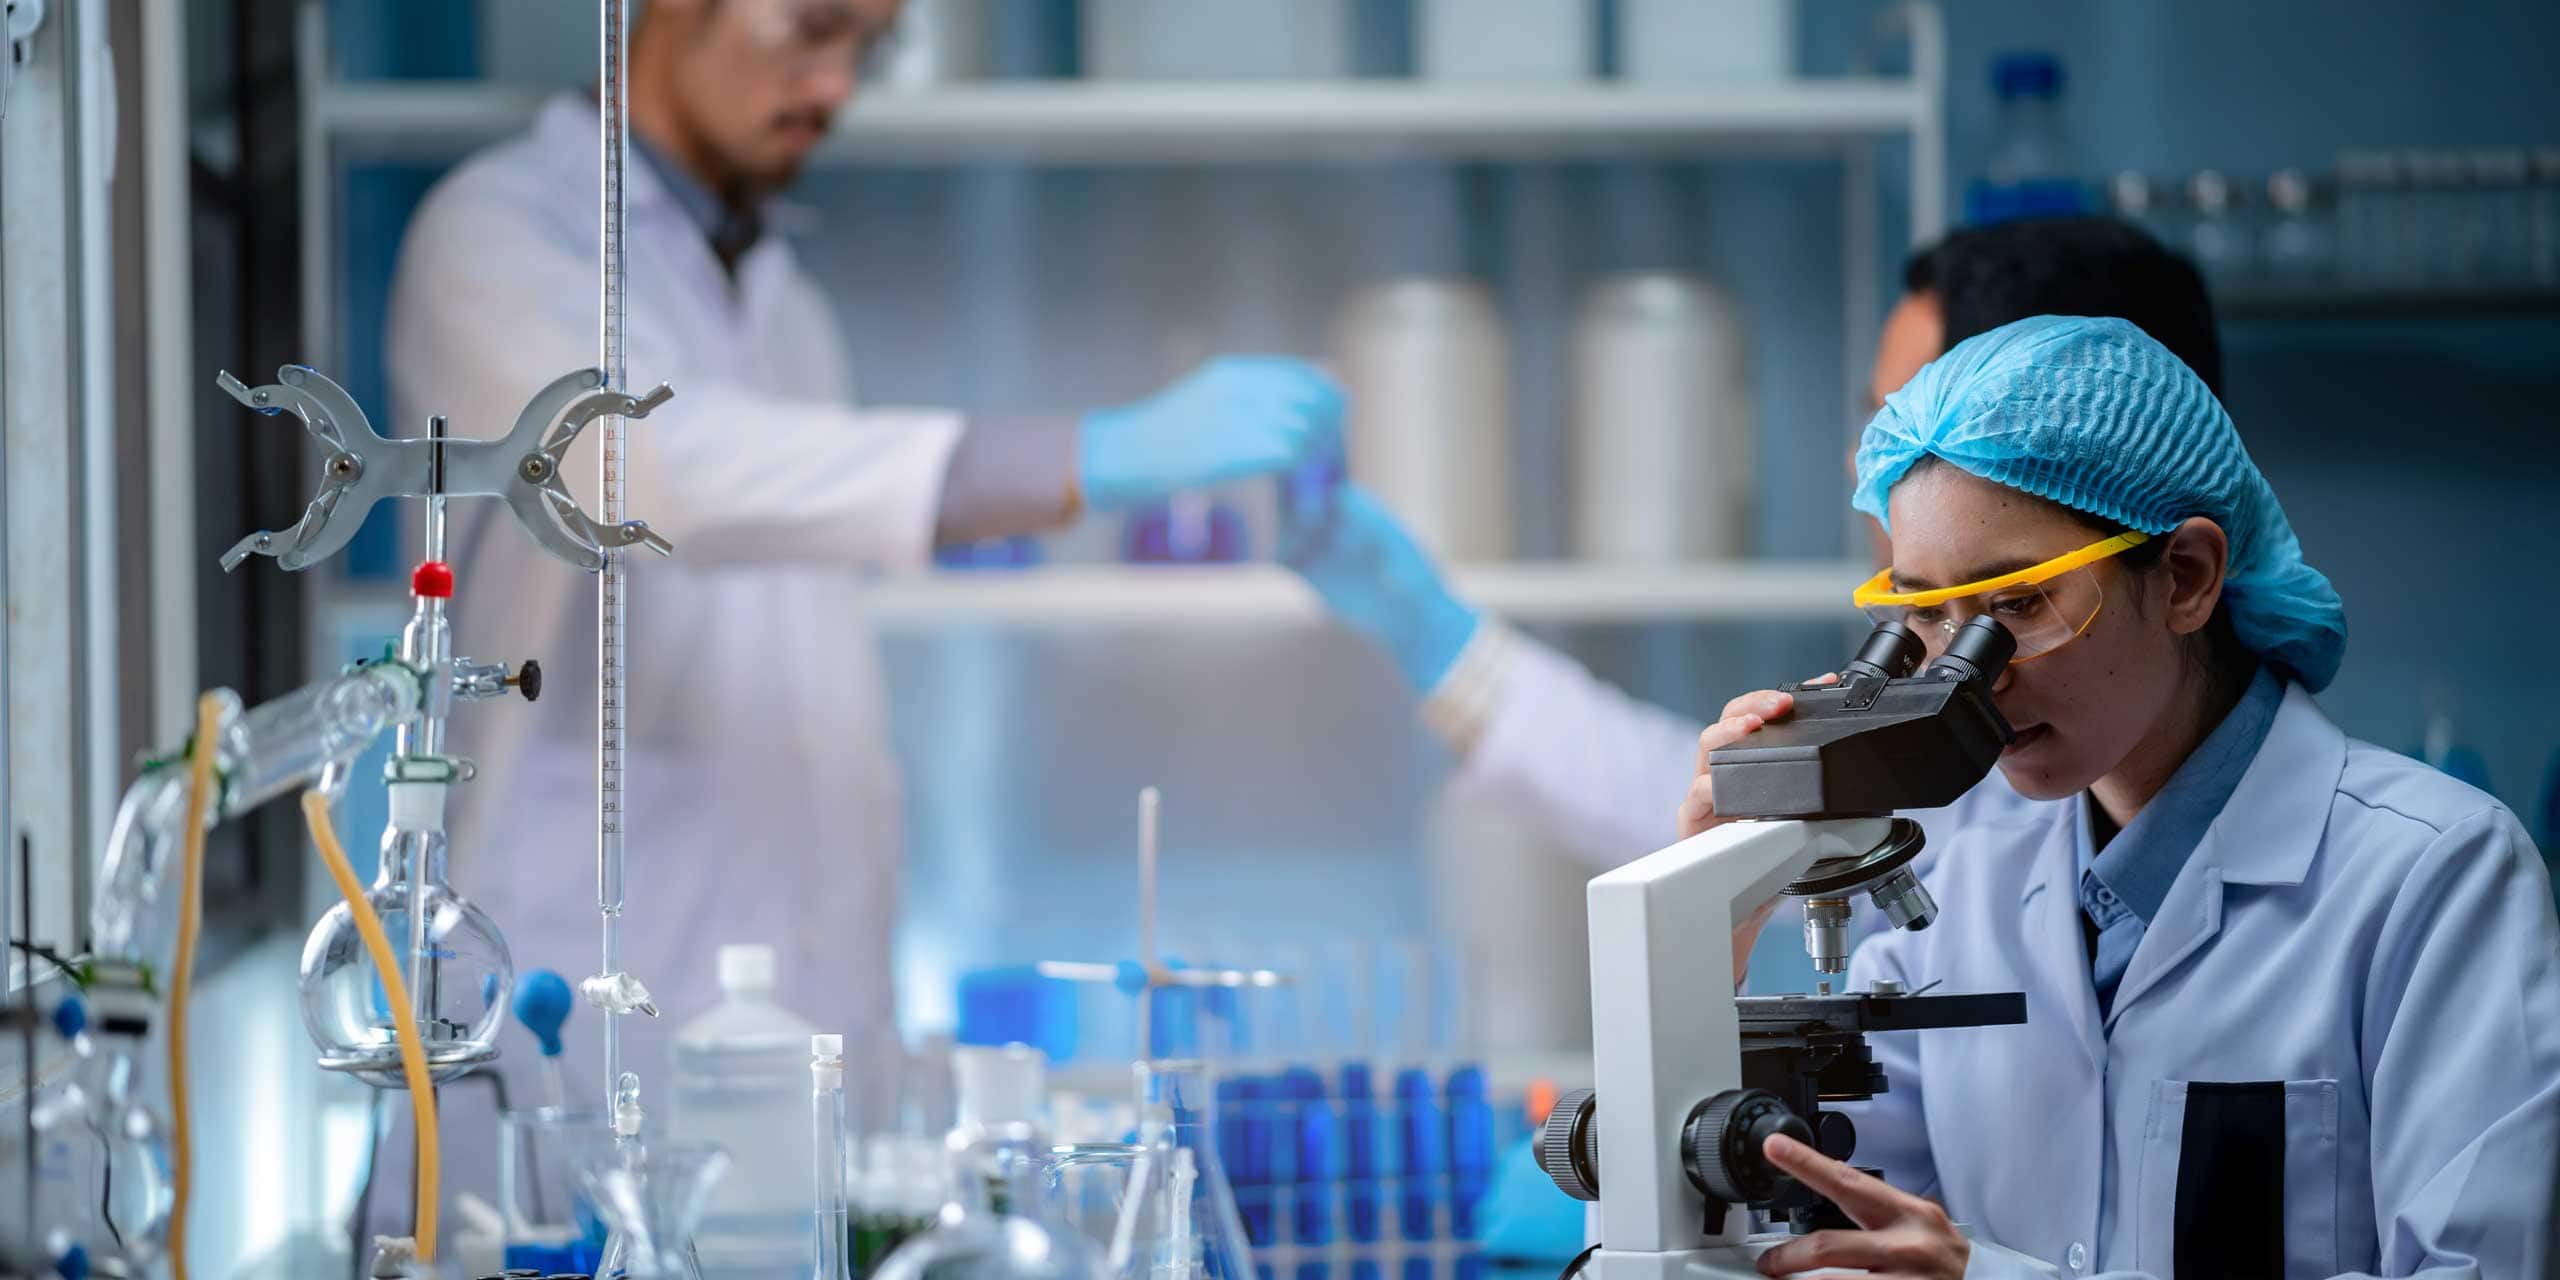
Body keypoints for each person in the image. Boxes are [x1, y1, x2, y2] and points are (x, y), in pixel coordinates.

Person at [384, 0, 1335, 1154]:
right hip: (565, 1031)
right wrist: (1072, 458)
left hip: (795, 1059)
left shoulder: (791, 312)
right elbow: (648, 470)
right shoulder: (493, 237)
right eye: (811, 28)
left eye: (867, 48)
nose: (835, 87)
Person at [1687, 316, 2558, 1278]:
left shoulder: (2436, 875)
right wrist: (1703, 913)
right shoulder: (1957, 883)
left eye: (2017, 606)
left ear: (2185, 577)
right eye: (1929, 616)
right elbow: (1800, 1215)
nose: (1968, 679)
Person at [1281, 217, 2222, 885]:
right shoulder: (2008, 817)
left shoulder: (2361, 882)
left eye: (1911, 416)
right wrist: (1434, 638)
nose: (1873, 462)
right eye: (1877, 419)